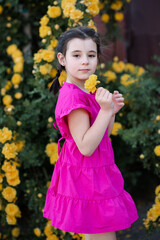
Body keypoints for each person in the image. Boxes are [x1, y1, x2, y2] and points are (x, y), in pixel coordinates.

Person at [43, 26, 138, 240]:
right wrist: (104, 110)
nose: (85, 61)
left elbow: (103, 135)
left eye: (91, 55)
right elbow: (86, 147)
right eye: (76, 55)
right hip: (86, 176)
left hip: (96, 171)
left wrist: (110, 112)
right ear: (63, 58)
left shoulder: (86, 90)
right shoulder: (74, 99)